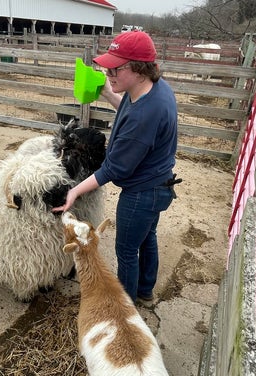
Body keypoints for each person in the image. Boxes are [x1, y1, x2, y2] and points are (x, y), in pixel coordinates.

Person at [53, 31, 180, 304]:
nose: (107, 72)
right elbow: (131, 110)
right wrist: (109, 93)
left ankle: (126, 309)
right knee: (147, 238)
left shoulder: (144, 117)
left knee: (125, 251)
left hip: (141, 194)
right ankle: (145, 291)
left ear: (138, 68)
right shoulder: (155, 89)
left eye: (115, 68)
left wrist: (74, 192)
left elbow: (113, 170)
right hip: (160, 183)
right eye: (106, 66)